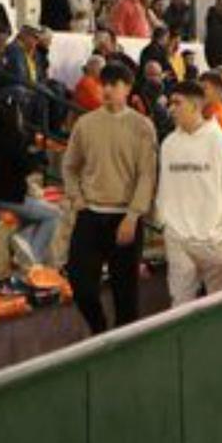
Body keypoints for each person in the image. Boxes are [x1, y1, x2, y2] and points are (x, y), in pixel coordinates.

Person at [63, 63, 158, 333]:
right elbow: (69, 166)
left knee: (125, 296)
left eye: (113, 84)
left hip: (125, 217)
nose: (106, 89)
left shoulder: (142, 126)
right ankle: (100, 330)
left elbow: (147, 175)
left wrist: (133, 215)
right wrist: (76, 198)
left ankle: (125, 352)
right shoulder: (86, 123)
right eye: (103, 83)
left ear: (127, 88)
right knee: (81, 285)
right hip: (90, 214)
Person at [156, 80, 222, 307]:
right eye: (171, 103)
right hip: (178, 237)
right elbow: (165, 186)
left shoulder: (219, 142)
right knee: (180, 306)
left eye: (177, 103)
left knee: (221, 307)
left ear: (195, 106)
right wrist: (166, 222)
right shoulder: (169, 144)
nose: (171, 108)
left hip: (213, 239)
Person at [0, 98, 62, 268]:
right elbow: (24, 166)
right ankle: (33, 256)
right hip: (12, 197)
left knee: (35, 217)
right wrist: (39, 158)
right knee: (55, 214)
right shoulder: (15, 136)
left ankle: (23, 243)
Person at [133, 61, 173, 142]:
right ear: (145, 75)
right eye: (151, 75)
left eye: (157, 75)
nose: (154, 78)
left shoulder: (168, 87)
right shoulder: (137, 91)